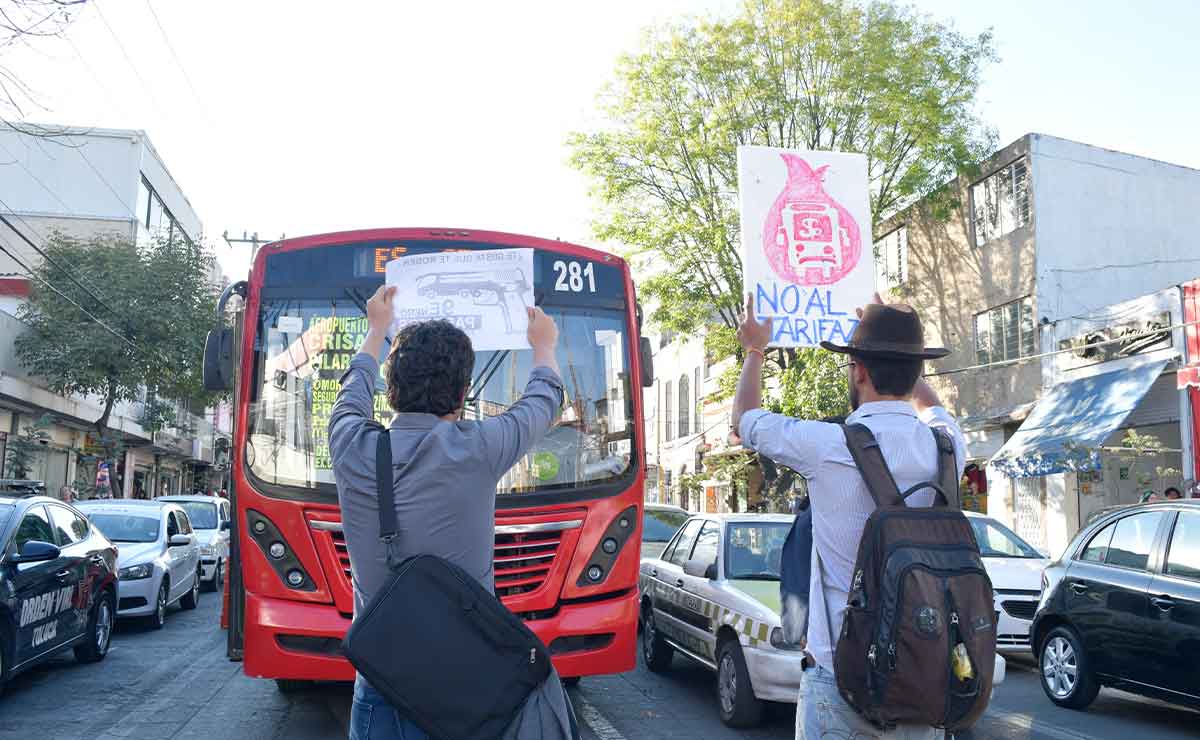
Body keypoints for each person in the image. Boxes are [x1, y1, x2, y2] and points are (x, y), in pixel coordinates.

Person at [330, 285, 566, 740]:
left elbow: (352, 388)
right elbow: (544, 399)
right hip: (466, 689)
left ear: (391, 390)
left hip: (380, 688)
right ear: (463, 392)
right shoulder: (480, 448)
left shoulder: (350, 445)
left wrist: (376, 330)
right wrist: (544, 345)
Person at [730, 293, 966, 740]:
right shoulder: (948, 445)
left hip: (840, 678)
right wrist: (897, 343)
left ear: (858, 370)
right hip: (924, 679)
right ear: (916, 370)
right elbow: (933, 408)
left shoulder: (827, 445)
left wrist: (755, 349)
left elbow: (744, 419)